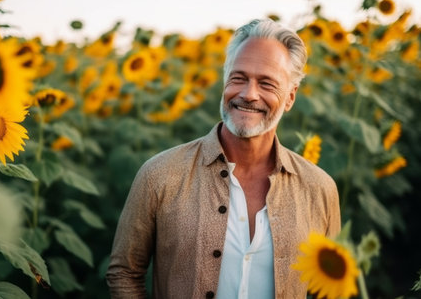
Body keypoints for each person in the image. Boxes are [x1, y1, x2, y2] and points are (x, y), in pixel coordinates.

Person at [106, 18, 341, 299]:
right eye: (238, 78)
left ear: (290, 97)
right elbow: (124, 274)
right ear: (224, 81)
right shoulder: (160, 175)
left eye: (266, 83)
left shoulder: (319, 189)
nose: (248, 94)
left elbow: (330, 290)